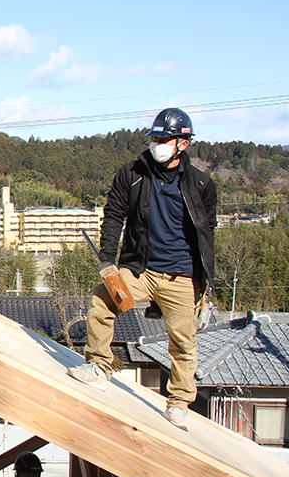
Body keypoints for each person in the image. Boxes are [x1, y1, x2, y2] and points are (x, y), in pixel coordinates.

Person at [67, 107, 216, 431]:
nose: (157, 144)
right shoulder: (132, 174)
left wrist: (204, 284)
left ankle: (178, 404)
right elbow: (114, 216)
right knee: (101, 303)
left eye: (164, 139)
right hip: (140, 269)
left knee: (183, 342)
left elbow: (208, 232)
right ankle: (98, 367)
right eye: (154, 138)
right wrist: (108, 260)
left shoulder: (201, 183)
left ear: (183, 144)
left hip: (182, 276)